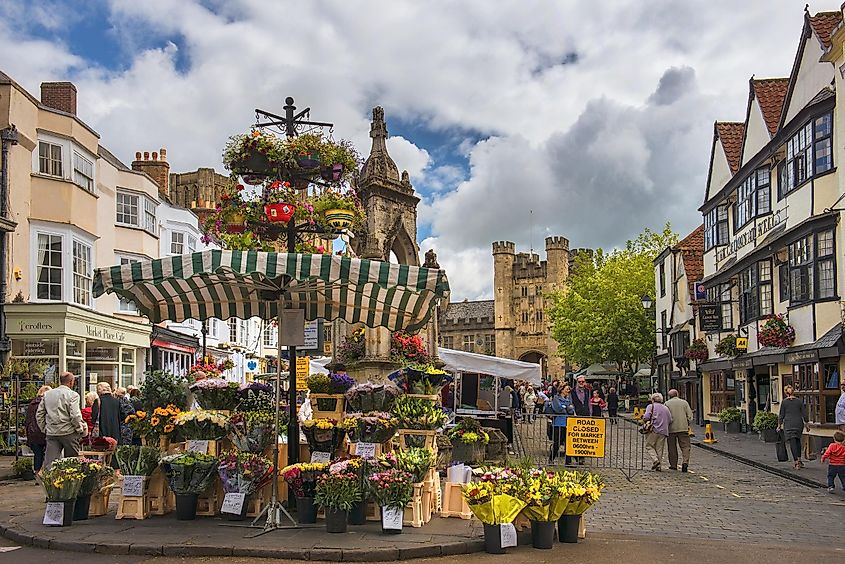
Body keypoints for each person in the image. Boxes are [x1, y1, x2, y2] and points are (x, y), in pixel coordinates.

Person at [37, 372, 87, 470]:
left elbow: (39, 414)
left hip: (52, 432)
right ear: (71, 382)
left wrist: (44, 428)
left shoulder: (47, 394)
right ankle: (70, 484)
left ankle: (53, 483)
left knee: (51, 463)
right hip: (69, 432)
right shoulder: (73, 395)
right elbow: (75, 415)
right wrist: (79, 428)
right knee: (71, 463)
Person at [778, 385, 809, 469]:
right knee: (797, 440)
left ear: (785, 392)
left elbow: (781, 415)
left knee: (792, 442)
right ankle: (799, 459)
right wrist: (806, 423)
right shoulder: (799, 401)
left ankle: (796, 462)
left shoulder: (784, 402)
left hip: (788, 424)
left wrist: (779, 425)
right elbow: (804, 413)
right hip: (798, 423)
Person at [545, 383, 575, 465]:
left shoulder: (569, 399)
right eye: (566, 389)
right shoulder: (556, 398)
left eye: (569, 389)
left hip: (567, 423)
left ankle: (568, 462)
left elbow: (571, 410)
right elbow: (558, 409)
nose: (568, 391)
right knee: (557, 443)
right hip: (558, 423)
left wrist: (566, 408)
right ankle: (551, 460)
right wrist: (566, 408)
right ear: (562, 390)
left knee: (568, 443)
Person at [642, 392, 672, 471]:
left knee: (649, 446)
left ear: (652, 399)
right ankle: (659, 466)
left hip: (653, 429)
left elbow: (646, 416)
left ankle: (655, 460)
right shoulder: (665, 408)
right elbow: (670, 419)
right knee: (659, 448)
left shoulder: (650, 406)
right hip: (663, 431)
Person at [665, 389, 694, 472]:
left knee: (672, 447)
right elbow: (690, 416)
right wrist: (687, 423)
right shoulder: (684, 403)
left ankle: (673, 465)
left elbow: (665, 416)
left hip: (671, 429)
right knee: (685, 446)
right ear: (677, 394)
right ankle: (685, 462)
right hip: (683, 428)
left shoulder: (667, 403)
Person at [24, 385, 51, 474]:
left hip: (33, 433)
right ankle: (45, 474)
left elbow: (28, 420)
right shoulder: (47, 403)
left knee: (37, 454)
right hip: (44, 432)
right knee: (48, 454)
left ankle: (37, 472)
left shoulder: (32, 404)